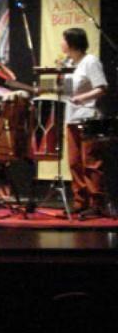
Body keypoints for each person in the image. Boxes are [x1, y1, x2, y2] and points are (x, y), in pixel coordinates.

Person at [60, 28, 109, 219]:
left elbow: (102, 88)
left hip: (88, 117)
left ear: (72, 42)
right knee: (74, 163)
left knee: (91, 162)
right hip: (71, 117)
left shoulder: (90, 61)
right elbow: (66, 93)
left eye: (63, 40)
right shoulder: (69, 64)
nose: (61, 44)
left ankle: (97, 204)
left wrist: (82, 98)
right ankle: (80, 201)